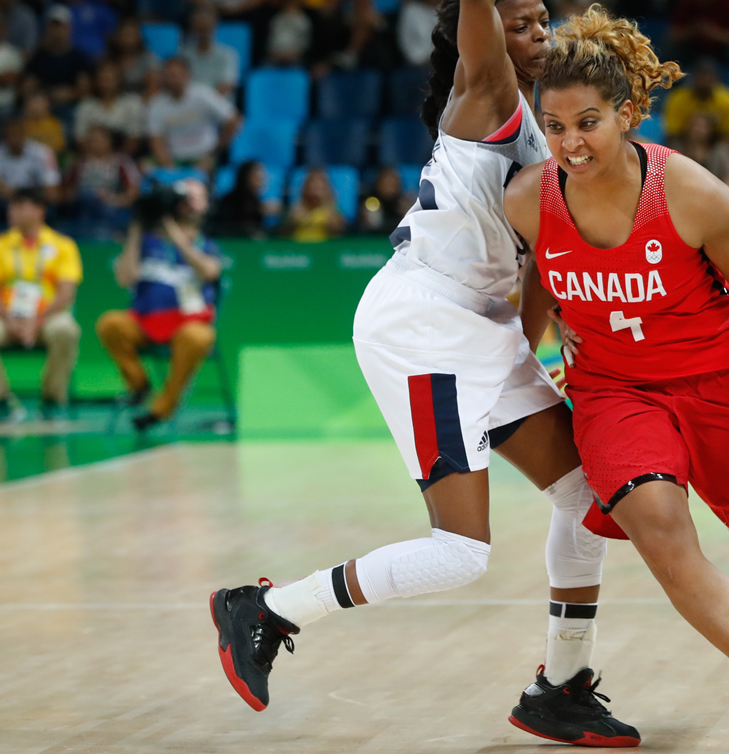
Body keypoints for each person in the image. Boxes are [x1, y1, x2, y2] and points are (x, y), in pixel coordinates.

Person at [209, 2, 640, 748]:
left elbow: (539, 269)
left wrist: (532, 357)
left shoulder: (545, 132)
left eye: (546, 20)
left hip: (483, 328)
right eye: (523, 22)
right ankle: (270, 608)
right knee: (461, 552)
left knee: (588, 491)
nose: (542, 34)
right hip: (424, 326)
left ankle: (562, 688)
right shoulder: (488, 93)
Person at [505, 8, 729, 754]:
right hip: (613, 395)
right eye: (555, 126)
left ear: (628, 113)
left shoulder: (694, 194)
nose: (570, 143)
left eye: (589, 122)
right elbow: (533, 300)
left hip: (723, 387)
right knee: (664, 538)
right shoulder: (528, 200)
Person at [96, 179, 222, 431]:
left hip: (188, 324)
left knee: (198, 338)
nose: (187, 206)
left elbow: (209, 271)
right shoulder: (146, 243)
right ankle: (139, 385)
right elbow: (124, 278)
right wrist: (136, 228)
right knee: (110, 324)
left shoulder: (206, 245)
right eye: (184, 200)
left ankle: (161, 408)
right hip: (144, 321)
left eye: (194, 199)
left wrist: (174, 232)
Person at [0, 188, 81, 421]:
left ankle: (52, 400)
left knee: (66, 330)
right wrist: (10, 319)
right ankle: (3, 401)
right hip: (7, 317)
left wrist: (36, 320)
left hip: (48, 316)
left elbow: (66, 293)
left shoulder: (63, 246)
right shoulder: (2, 245)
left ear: (39, 211)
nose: (13, 212)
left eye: (20, 206)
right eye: (12, 207)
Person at [146, 57, 241, 169]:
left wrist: (214, 153)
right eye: (168, 75)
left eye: (176, 75)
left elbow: (234, 120)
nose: (172, 80)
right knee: (144, 166)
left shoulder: (203, 94)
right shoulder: (157, 104)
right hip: (175, 159)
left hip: (203, 158)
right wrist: (167, 163)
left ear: (187, 75)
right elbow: (156, 139)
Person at [62, 123, 140, 235]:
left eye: (99, 140)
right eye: (91, 140)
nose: (95, 144)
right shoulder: (79, 163)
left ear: (109, 141)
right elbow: (67, 193)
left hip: (111, 207)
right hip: (83, 208)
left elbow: (133, 193)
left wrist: (113, 199)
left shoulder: (122, 162)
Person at [662, 58, 729, 149]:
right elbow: (672, 134)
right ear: (694, 77)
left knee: (727, 151)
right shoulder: (678, 99)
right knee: (674, 147)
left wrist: (708, 149)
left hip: (716, 146)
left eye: (708, 76)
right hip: (686, 145)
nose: (704, 80)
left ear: (716, 78)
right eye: (701, 76)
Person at [22, 6, 93, 112]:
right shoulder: (39, 57)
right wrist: (46, 95)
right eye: (54, 26)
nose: (57, 31)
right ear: (47, 28)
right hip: (44, 108)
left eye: (61, 26)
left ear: (70, 28)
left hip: (72, 108)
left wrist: (71, 94)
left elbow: (86, 90)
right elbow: (27, 87)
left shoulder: (79, 58)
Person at [74, 62, 144, 155]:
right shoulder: (87, 105)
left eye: (110, 78)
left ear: (119, 80)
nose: (107, 83)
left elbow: (134, 137)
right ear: (96, 81)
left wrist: (117, 159)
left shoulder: (132, 102)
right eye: (103, 79)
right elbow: (80, 139)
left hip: (123, 156)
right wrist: (96, 159)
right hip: (92, 158)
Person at [181, 8, 240, 98]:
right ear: (193, 28)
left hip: (217, 104)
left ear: (214, 27)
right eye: (199, 28)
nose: (202, 33)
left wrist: (207, 103)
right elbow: (180, 84)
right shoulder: (184, 54)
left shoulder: (228, 55)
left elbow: (226, 86)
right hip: (190, 104)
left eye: (206, 28)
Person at [210, 160, 276, 238]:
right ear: (244, 177)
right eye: (256, 177)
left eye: (261, 177)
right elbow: (227, 227)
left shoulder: (256, 201)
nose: (261, 180)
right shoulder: (229, 200)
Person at [0, 117, 60, 204]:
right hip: (7, 202)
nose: (14, 139)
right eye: (10, 135)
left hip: (37, 199)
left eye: (17, 134)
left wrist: (27, 197)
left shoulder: (44, 153)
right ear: (6, 137)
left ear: (24, 135)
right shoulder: (1, 153)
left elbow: (51, 189)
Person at [678, 111, 729, 191]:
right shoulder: (678, 150)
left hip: (714, 195)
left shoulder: (721, 152)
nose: (698, 130)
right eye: (695, 125)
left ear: (711, 130)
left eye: (702, 126)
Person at [283, 169, 345, 242]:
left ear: (326, 189)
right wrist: (292, 221)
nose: (315, 190)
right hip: (300, 250)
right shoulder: (296, 208)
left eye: (319, 187)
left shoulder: (333, 209)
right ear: (305, 188)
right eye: (312, 186)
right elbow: (284, 232)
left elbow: (339, 230)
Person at [106, 18, 161, 95]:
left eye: (131, 35)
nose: (128, 39)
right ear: (118, 37)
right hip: (117, 101)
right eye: (125, 34)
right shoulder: (110, 59)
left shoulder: (148, 58)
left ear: (139, 37)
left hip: (142, 99)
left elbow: (154, 84)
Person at [357, 165, 414, 235]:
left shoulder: (403, 203)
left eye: (393, 182)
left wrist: (407, 214)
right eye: (387, 182)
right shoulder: (370, 202)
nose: (390, 186)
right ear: (378, 183)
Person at [266, 0, 312, 67]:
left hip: (295, 58)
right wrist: (274, 53)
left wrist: (293, 55)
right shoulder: (276, 19)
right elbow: (270, 40)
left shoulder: (304, 21)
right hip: (274, 57)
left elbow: (306, 43)